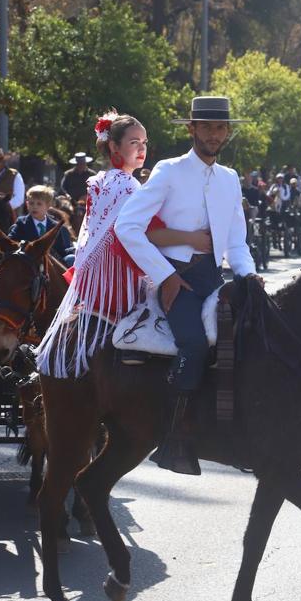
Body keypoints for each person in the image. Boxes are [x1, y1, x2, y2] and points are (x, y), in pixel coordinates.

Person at [115, 96, 260, 476]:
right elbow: (127, 227)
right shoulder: (169, 170)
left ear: (227, 132)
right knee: (193, 344)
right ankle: (173, 437)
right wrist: (163, 276)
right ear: (192, 129)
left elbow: (237, 243)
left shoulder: (230, 179)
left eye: (221, 128)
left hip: (214, 280)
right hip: (175, 278)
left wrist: (249, 277)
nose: (214, 134)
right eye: (206, 127)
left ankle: (238, 428)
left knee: (253, 335)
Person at [37, 111, 213, 380]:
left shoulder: (99, 181)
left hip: (91, 280)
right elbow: (151, 233)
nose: (142, 148)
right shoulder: (128, 185)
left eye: (144, 142)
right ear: (113, 147)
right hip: (118, 280)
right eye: (134, 142)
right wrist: (192, 239)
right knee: (173, 293)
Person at [8, 185, 76, 267]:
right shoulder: (21, 224)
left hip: (51, 267)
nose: (34, 206)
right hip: (28, 266)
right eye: (31, 203)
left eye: (39, 204)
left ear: (48, 206)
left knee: (71, 259)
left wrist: (75, 251)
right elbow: (10, 244)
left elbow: (62, 250)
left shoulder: (55, 226)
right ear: (27, 204)